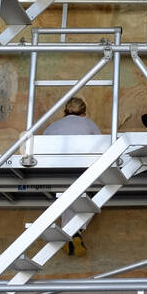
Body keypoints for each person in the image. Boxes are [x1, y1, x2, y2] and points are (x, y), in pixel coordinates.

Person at [44, 96, 101, 254]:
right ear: (84, 113)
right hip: (82, 170)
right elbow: (103, 147)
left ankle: (72, 233)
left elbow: (42, 147)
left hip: (54, 171)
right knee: (93, 195)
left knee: (67, 195)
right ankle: (75, 232)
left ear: (65, 112)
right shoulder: (89, 124)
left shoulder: (53, 126)